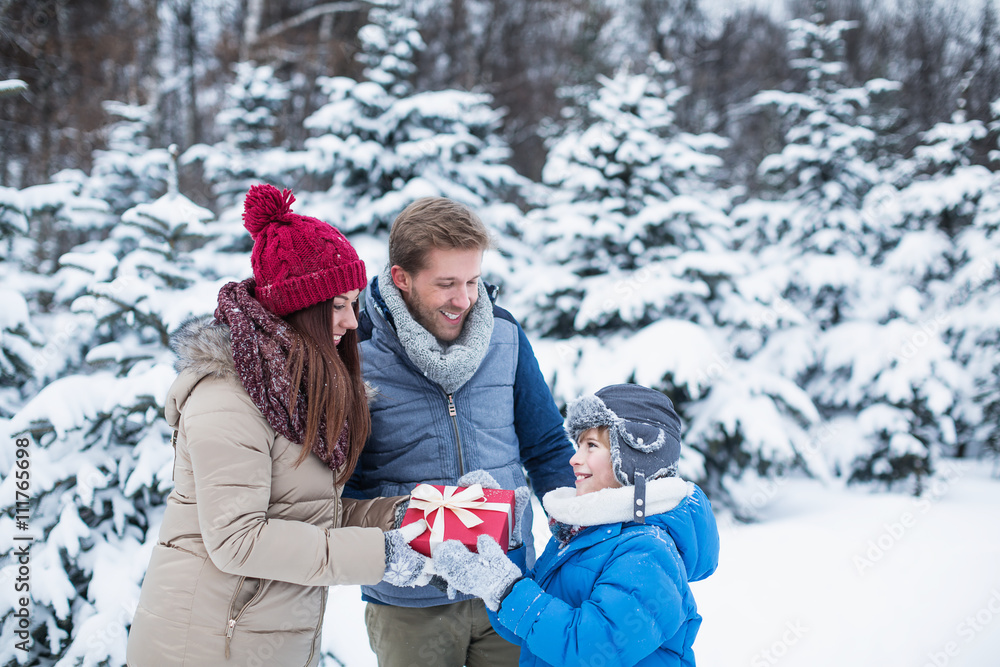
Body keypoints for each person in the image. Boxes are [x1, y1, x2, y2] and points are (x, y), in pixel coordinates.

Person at [127, 184, 431, 667]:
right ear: (298, 307)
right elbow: (239, 540)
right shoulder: (227, 399)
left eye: (353, 303)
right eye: (337, 305)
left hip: (264, 641)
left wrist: (409, 517)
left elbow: (307, 520)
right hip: (204, 645)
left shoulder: (299, 392)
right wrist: (385, 554)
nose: (353, 321)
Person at [344, 197, 576, 666]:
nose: (464, 300)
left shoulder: (505, 336)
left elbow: (547, 446)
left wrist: (573, 521)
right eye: (446, 284)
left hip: (509, 590)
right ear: (401, 278)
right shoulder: (357, 350)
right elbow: (339, 486)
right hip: (409, 602)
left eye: (472, 281)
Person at [432, 383, 721, 666]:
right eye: (578, 445)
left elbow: (592, 651)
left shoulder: (649, 552)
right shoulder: (584, 534)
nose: (574, 459)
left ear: (634, 459)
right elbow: (526, 631)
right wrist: (506, 546)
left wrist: (508, 591)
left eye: (591, 446)